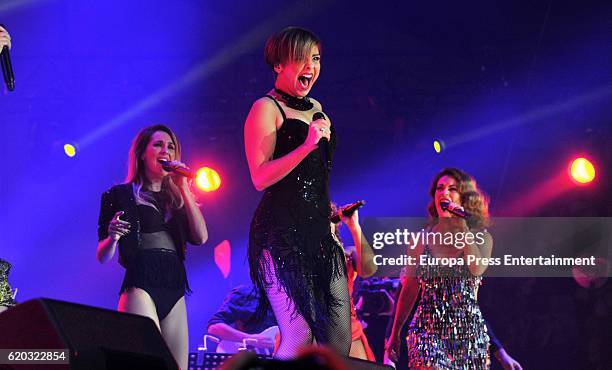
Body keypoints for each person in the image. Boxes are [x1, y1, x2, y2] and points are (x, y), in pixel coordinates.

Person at [245, 26, 351, 359]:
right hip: (279, 234)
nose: (311, 67)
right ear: (278, 64)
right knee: (299, 333)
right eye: (301, 59)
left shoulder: (317, 107)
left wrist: (326, 211)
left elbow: (315, 176)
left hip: (319, 232)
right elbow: (260, 178)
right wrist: (306, 146)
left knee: (338, 341)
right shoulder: (265, 109)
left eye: (315, 59)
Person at [96, 124, 208, 370]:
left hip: (174, 284)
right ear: (142, 154)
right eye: (158, 144)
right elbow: (102, 255)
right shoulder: (119, 194)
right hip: (141, 282)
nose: (165, 151)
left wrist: (185, 189)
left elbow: (201, 237)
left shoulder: (177, 197)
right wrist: (113, 237)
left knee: (178, 367)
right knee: (150, 362)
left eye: (171, 147)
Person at [386, 168, 493, 369]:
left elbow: (477, 268)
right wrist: (395, 331)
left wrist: (462, 226)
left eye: (452, 189)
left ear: (465, 198)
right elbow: (409, 288)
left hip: (469, 335)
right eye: (439, 188)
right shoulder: (421, 240)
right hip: (426, 332)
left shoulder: (482, 238)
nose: (444, 193)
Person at [330, 203, 378, 361]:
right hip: (314, 330)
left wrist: (354, 226)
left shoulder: (347, 254)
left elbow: (369, 269)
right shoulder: (303, 257)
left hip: (348, 329)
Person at [207, 284, 278, 354]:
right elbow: (214, 327)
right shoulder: (246, 293)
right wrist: (250, 339)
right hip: (246, 358)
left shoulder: (286, 300)